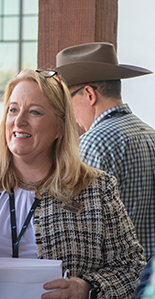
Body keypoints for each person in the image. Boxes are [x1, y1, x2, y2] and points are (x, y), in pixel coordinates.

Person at [0, 69, 146, 299]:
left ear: (59, 127)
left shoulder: (96, 189)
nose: (19, 121)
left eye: (34, 112)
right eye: (13, 109)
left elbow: (133, 268)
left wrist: (87, 288)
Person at [55, 42, 155, 260]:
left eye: (67, 99)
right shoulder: (150, 134)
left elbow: (78, 221)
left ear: (89, 95)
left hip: (118, 277)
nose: (68, 112)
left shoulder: (94, 142)